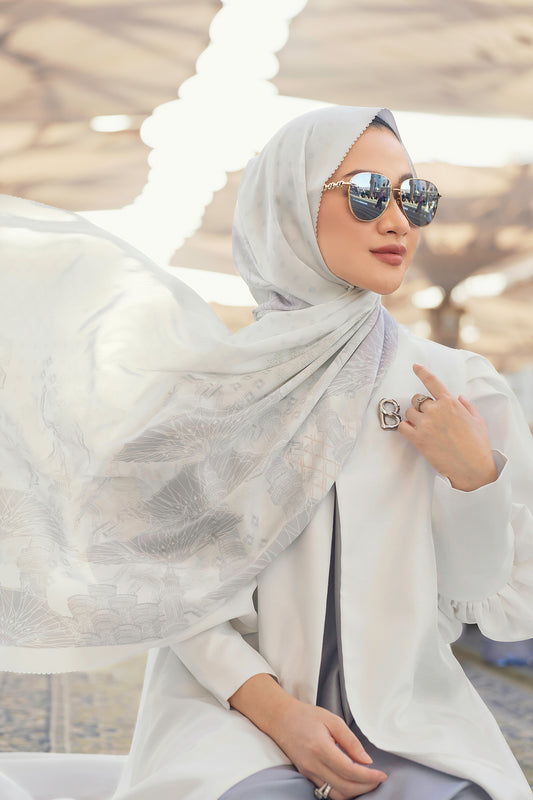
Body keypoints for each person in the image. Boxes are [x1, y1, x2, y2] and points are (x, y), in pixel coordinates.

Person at [0, 106, 531, 800]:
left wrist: (473, 477)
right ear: (288, 205)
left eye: (414, 197)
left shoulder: (457, 387)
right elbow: (167, 589)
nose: (398, 221)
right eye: (368, 193)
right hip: (234, 716)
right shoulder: (213, 391)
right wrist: (279, 714)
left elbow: (482, 596)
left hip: (407, 718)